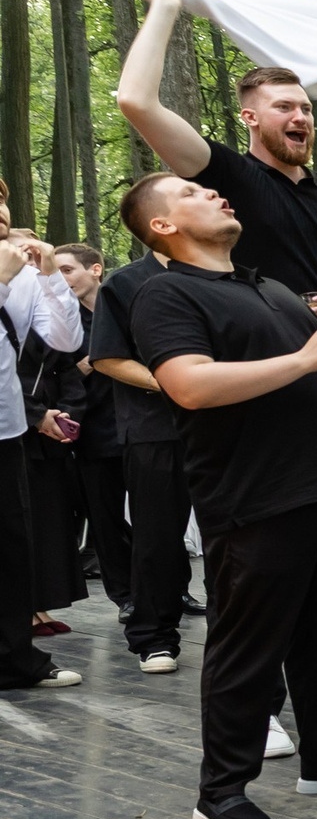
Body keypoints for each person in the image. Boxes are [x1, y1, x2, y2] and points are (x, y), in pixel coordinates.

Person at [117, 0, 317, 731]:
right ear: (248, 117)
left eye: (308, 108)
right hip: (256, 388)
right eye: (284, 107)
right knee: (259, 561)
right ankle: (266, 711)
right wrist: (170, 10)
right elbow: (136, 103)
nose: (300, 117)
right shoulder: (224, 181)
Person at [123, 173, 317, 819]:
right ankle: (220, 791)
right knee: (246, 648)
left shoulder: (272, 289)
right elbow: (189, 386)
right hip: (257, 496)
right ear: (161, 225)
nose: (217, 195)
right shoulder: (165, 294)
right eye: (193, 194)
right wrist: (309, 356)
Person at [85, 241, 200, 671]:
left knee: (237, 538)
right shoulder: (125, 282)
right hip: (155, 428)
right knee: (158, 537)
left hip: (229, 425)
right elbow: (107, 358)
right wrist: (172, 382)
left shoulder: (234, 277)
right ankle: (154, 637)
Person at [0, 210, 86, 690]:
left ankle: (15, 659)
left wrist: (49, 272)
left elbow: (65, 339)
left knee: (12, 548)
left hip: (7, 426)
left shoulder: (28, 272)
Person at [53, 245, 133, 619]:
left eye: (67, 270)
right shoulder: (60, 324)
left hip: (140, 425)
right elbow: (57, 380)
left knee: (160, 518)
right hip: (94, 433)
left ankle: (173, 589)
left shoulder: (125, 309)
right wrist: (92, 363)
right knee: (105, 520)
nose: (62, 279)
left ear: (96, 270)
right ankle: (125, 596)